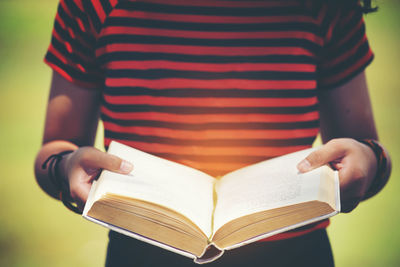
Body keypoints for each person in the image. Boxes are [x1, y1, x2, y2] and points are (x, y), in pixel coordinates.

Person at [34, 0, 391, 266]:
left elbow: (366, 147)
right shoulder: (95, 6)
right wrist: (64, 168)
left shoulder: (323, 7)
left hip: (294, 255)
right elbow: (55, 151)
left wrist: (369, 162)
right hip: (142, 251)